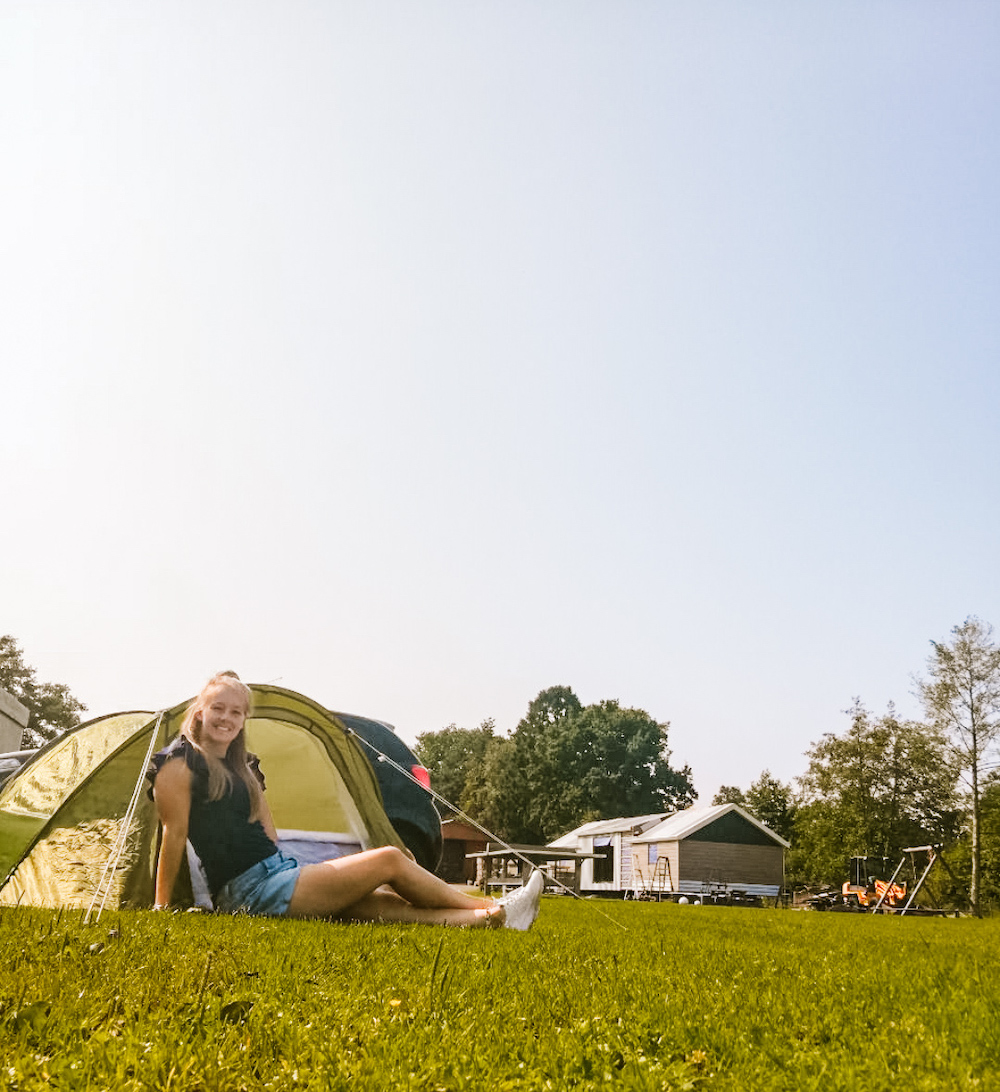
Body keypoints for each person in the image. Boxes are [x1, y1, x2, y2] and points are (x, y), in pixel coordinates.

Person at [147, 671, 543, 930]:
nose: (227, 718)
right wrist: (162, 908)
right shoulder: (179, 763)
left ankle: (488, 920)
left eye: (236, 712)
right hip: (248, 891)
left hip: (275, 871)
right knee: (388, 858)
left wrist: (251, 784)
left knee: (380, 904)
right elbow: (173, 835)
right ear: (199, 711)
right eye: (218, 708)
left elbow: (266, 832)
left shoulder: (240, 766)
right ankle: (497, 906)